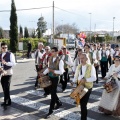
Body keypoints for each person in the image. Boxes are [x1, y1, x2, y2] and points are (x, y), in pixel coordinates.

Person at [42, 47, 64, 118]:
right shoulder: (50, 58)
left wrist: (53, 71)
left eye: (53, 51)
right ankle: (58, 103)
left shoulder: (60, 60)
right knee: (52, 92)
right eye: (51, 51)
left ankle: (50, 111)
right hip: (50, 77)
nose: (52, 53)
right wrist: (43, 73)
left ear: (57, 52)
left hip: (56, 78)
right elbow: (48, 68)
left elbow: (61, 71)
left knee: (53, 94)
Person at [72, 53, 96, 120]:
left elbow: (94, 78)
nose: (81, 59)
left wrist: (86, 80)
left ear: (86, 59)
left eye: (83, 58)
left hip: (87, 88)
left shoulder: (91, 66)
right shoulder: (79, 66)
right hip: (79, 87)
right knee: (81, 103)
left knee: (83, 104)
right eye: (80, 58)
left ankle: (83, 118)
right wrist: (73, 81)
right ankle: (83, 116)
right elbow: (76, 76)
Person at [0, 42, 16, 109]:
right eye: (3, 48)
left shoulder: (10, 54)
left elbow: (13, 63)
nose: (5, 49)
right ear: (1, 48)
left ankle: (7, 101)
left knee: (7, 87)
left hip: (8, 72)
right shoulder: (0, 55)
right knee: (4, 87)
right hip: (2, 73)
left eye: (6, 47)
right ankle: (7, 100)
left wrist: (6, 63)